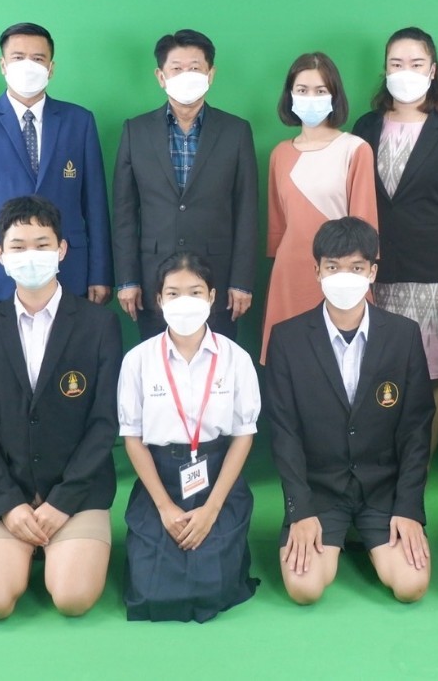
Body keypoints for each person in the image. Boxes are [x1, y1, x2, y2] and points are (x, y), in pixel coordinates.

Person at [0, 195, 121, 620]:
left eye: (42, 244)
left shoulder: (99, 324)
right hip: (8, 491)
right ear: (0, 255)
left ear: (62, 249)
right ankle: (23, 541)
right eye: (18, 246)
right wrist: (8, 504)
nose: (31, 255)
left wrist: (62, 502)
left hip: (77, 493)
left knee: (72, 598)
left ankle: (58, 542)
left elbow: (105, 423)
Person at [267, 217, 434, 605]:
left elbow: (416, 430)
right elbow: (284, 432)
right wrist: (299, 510)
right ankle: (336, 533)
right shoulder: (287, 339)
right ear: (317, 271)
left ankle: (368, 534)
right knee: (304, 589)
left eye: (356, 268)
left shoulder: (404, 335)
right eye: (333, 267)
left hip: (383, 489)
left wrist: (409, 507)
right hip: (319, 491)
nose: (344, 277)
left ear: (373, 272)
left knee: (410, 586)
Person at [352, 27, 438, 456]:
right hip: (375, 272)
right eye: (396, 63)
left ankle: (417, 469)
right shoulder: (366, 126)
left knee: (429, 376)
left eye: (416, 63)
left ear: (433, 70)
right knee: (378, 373)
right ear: (385, 70)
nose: (405, 71)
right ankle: (382, 460)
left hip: (434, 277)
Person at [119, 251, 261, 622]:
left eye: (195, 292)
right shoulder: (138, 360)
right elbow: (132, 437)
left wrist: (212, 509)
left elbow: (243, 436)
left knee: (213, 587)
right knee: (151, 591)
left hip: (217, 479)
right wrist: (165, 508)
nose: (185, 301)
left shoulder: (236, 358)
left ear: (212, 297)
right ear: (159, 299)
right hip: (160, 481)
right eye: (174, 293)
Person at [0, 22, 113, 318]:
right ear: (3, 65)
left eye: (38, 59)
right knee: (6, 348)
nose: (28, 66)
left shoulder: (79, 121)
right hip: (0, 273)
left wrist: (100, 274)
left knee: (67, 347)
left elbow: (95, 205)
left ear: (51, 68)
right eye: (18, 57)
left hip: (69, 270)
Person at [112, 29, 259, 341]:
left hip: (218, 281)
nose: (186, 76)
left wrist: (242, 281)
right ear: (161, 76)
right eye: (176, 68)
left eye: (195, 68)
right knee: (157, 363)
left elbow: (247, 211)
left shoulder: (235, 131)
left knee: (217, 363)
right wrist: (127, 280)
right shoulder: (136, 131)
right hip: (153, 282)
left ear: (210, 74)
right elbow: (124, 213)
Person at [262, 52, 377, 363]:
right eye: (302, 90)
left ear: (334, 96)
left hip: (340, 272)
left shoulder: (355, 149)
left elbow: (365, 227)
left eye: (320, 90)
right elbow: (277, 229)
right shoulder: (279, 154)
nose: (310, 98)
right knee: (290, 361)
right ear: (289, 96)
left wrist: (352, 272)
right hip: (290, 273)